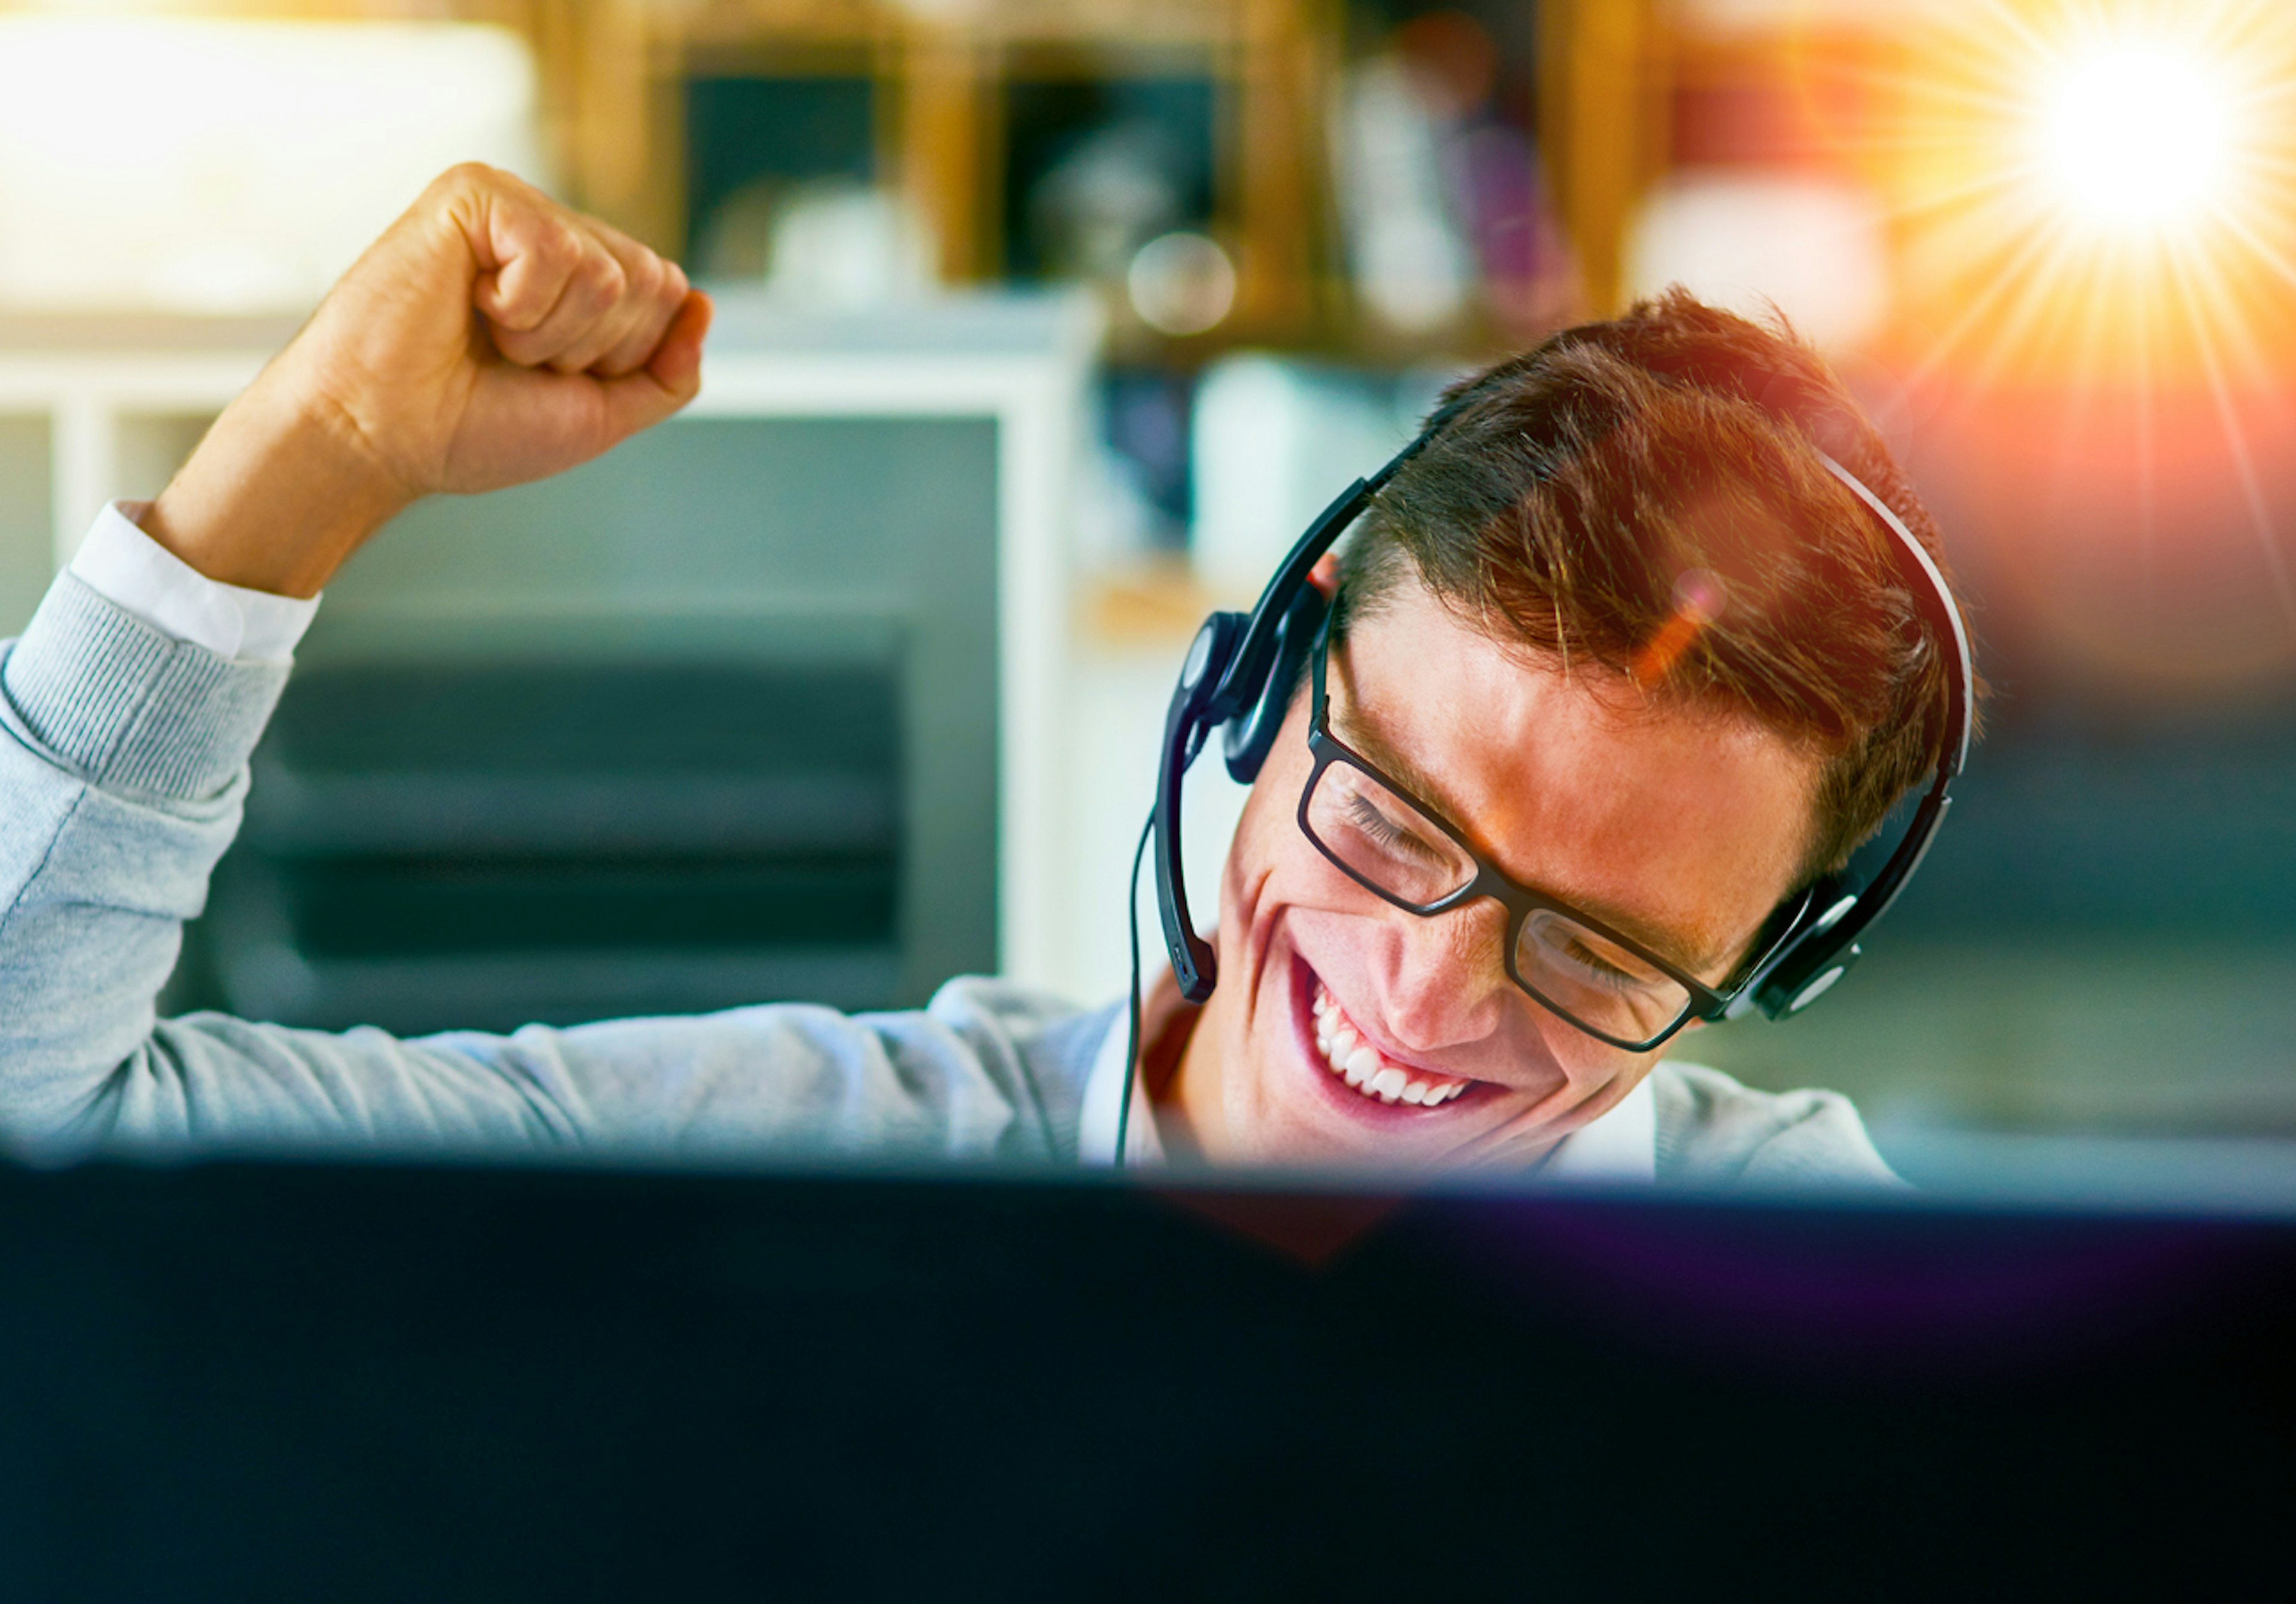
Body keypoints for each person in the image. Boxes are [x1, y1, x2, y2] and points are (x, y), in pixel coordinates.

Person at [0, 165, 1965, 1184]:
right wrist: (314, 458)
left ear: (1758, 970)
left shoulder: (1836, 1294)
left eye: (1603, 951)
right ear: (1265, 688)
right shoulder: (826, 1167)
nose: (1423, 987)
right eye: (1390, 816)